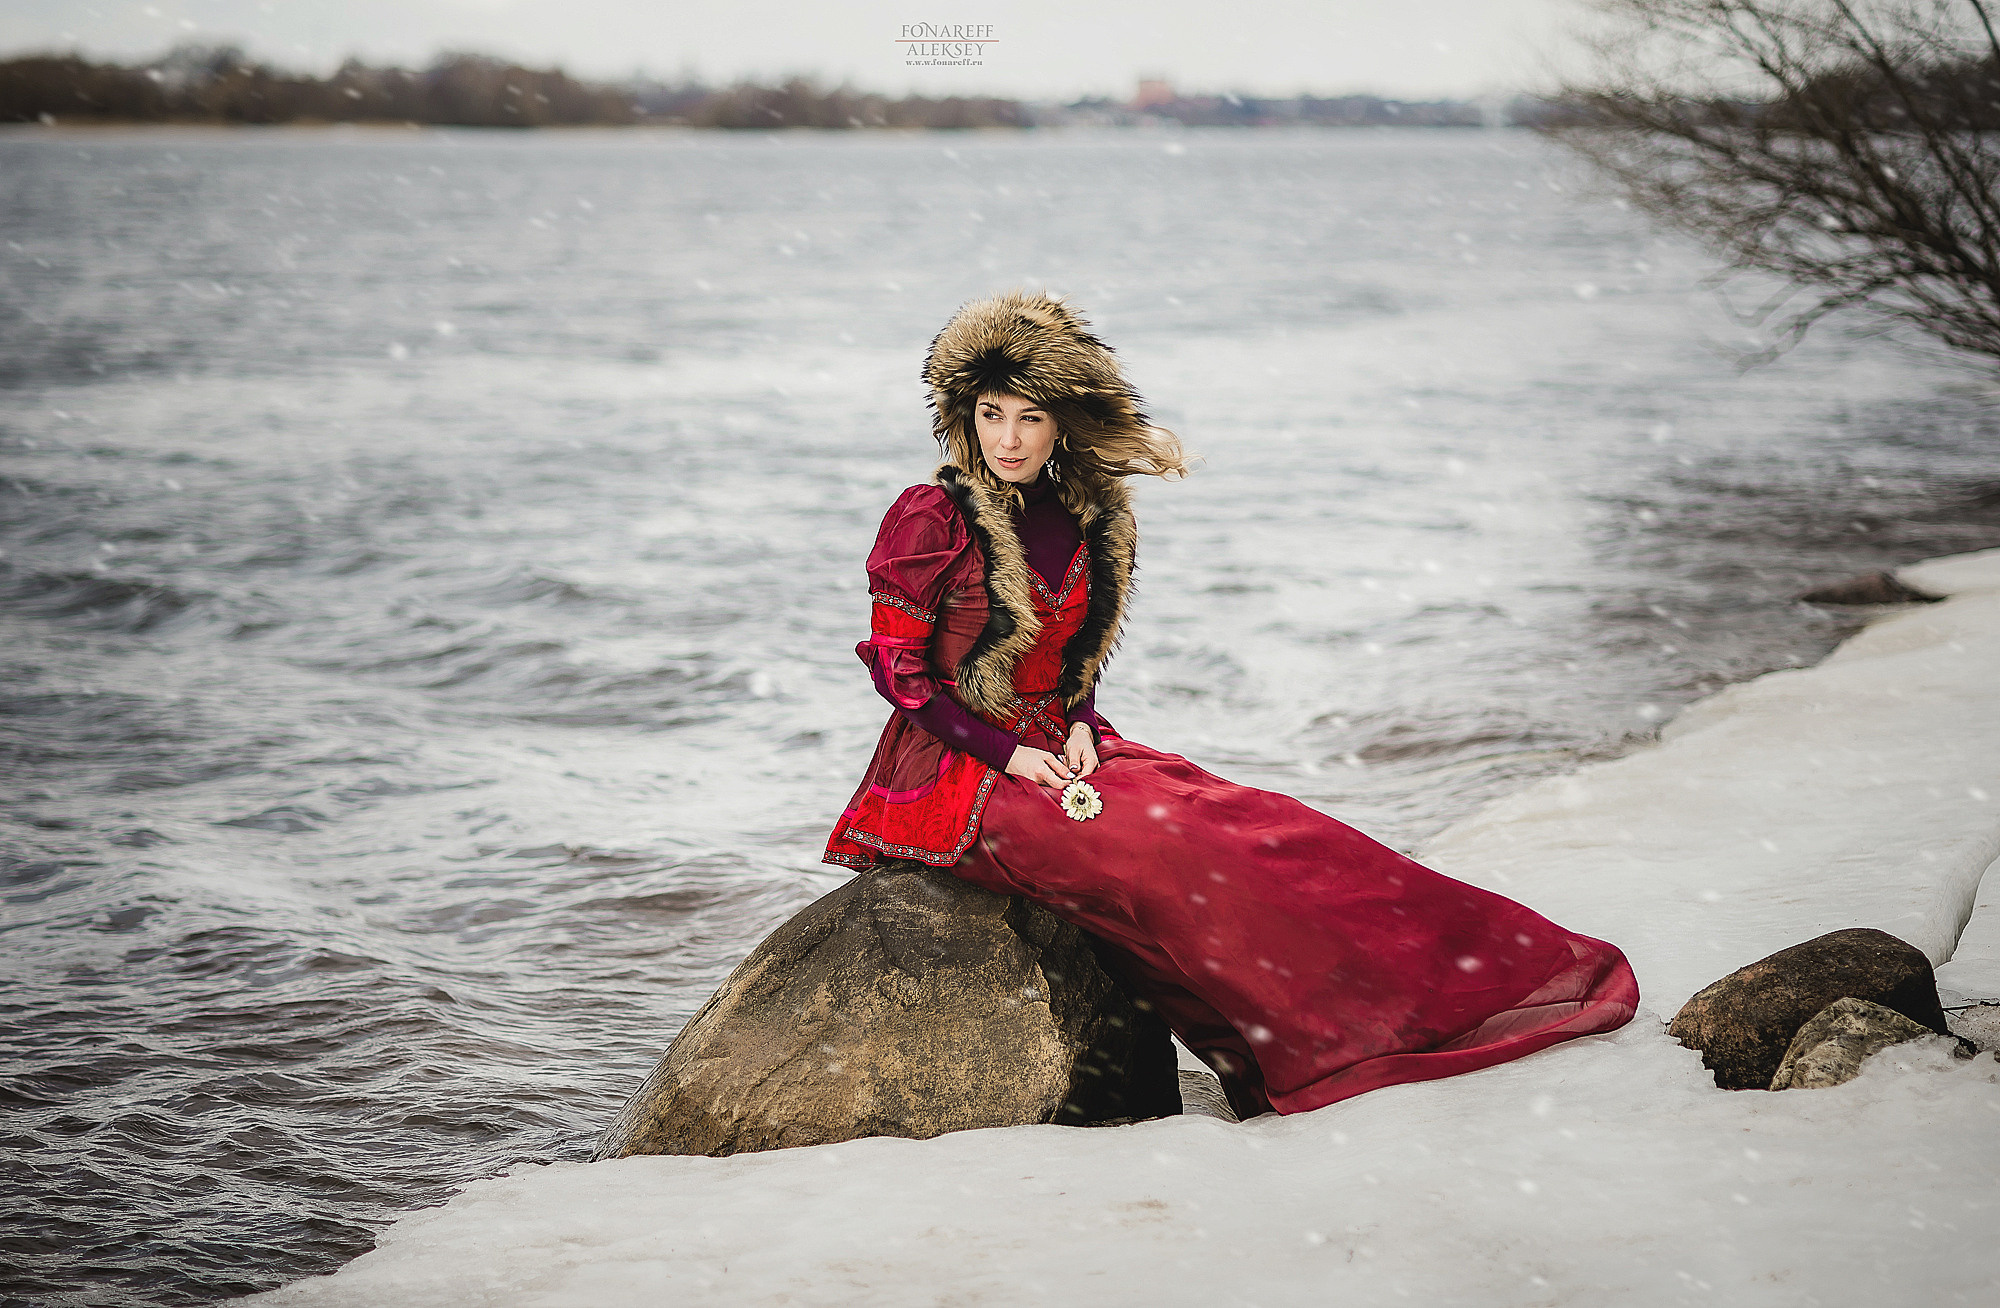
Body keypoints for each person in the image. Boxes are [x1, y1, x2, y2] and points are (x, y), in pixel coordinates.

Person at [825, 290, 1638, 1118]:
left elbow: (1081, 657)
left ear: (1061, 422)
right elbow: (900, 675)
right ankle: (1316, 1046)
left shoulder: (1091, 515)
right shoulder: (930, 516)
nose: (1007, 438)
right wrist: (1009, 753)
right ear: (963, 416)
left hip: (1061, 743)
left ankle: (1443, 999)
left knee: (1260, 825)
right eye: (990, 413)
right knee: (1163, 852)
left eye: (1029, 417)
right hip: (955, 770)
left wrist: (1074, 722)